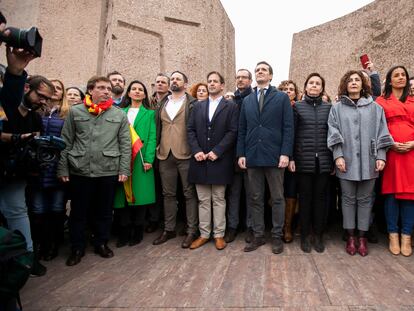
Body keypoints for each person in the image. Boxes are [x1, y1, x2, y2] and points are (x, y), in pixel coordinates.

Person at [58, 75, 131, 266]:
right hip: (80, 170)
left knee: (104, 211)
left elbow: (125, 144)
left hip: (107, 170)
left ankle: (101, 243)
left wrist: (124, 169)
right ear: (91, 90)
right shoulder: (76, 112)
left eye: (108, 88)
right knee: (78, 212)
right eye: (101, 87)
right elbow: (66, 141)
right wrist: (63, 168)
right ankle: (77, 247)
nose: (107, 91)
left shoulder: (118, 114)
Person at [328, 70, 393, 257]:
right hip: (345, 161)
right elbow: (333, 132)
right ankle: (350, 236)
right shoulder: (337, 108)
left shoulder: (375, 108)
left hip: (370, 161)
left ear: (363, 84)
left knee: (365, 200)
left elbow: (383, 133)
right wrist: (338, 155)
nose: (354, 83)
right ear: (345, 85)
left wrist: (381, 156)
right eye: (350, 80)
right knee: (347, 199)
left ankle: (362, 237)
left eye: (357, 80)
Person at [0, 45, 51, 276]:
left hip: (16, 174)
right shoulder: (6, 105)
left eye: (47, 99)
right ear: (27, 87)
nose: (43, 101)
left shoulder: (35, 120)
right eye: (40, 96)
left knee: (18, 212)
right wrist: (16, 138)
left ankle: (27, 259)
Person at [237, 61, 294, 254]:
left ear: (270, 76)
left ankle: (277, 236)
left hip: (275, 156)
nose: (260, 72)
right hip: (252, 156)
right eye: (257, 70)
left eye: (264, 70)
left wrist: (286, 153)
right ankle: (259, 235)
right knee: (255, 197)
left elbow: (288, 128)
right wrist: (241, 153)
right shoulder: (247, 100)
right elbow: (242, 129)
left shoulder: (281, 98)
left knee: (277, 198)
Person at [187, 71, 238, 250]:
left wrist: (217, 151)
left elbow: (233, 131)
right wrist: (196, 151)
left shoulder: (230, 106)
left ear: (222, 86)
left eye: (216, 81)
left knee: (218, 198)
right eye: (209, 81)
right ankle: (203, 234)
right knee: (203, 199)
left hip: (220, 160)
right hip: (199, 160)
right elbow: (190, 130)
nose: (212, 84)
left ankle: (218, 235)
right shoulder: (197, 106)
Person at [152, 71, 199, 248]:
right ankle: (169, 229)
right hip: (165, 154)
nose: (174, 81)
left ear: (185, 84)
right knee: (168, 194)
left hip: (186, 153)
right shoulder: (162, 103)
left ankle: (191, 230)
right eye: (172, 78)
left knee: (189, 194)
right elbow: (158, 127)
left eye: (178, 78)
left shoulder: (192, 103)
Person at [25, 78, 69, 263]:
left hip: (58, 165)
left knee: (57, 207)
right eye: (53, 88)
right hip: (37, 166)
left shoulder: (67, 114)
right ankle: (38, 245)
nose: (56, 91)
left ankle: (53, 244)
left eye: (59, 88)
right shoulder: (35, 111)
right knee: (37, 208)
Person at [288, 73, 332, 253]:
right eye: (311, 83)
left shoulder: (330, 108)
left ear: (322, 88)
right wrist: (290, 157)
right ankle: (305, 235)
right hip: (302, 160)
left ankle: (318, 235)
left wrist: (333, 159)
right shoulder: (296, 107)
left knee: (320, 200)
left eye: (318, 83)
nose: (314, 86)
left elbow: (333, 134)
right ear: (305, 87)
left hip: (323, 160)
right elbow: (291, 134)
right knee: (305, 199)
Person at [376, 66, 414, 256]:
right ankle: (393, 235)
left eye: (403, 75)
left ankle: (406, 236)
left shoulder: (413, 101)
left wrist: (413, 143)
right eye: (396, 75)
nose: (400, 78)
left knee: (410, 195)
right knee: (391, 194)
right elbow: (376, 127)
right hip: (390, 152)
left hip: (411, 153)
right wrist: (389, 143)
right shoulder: (381, 101)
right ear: (389, 80)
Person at [113, 80, 156, 247]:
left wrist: (149, 159)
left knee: (139, 196)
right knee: (121, 197)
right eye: (133, 89)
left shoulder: (150, 114)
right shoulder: (119, 112)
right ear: (128, 93)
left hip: (140, 159)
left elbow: (152, 137)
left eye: (140, 89)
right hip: (121, 158)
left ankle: (137, 231)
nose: (137, 92)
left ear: (144, 94)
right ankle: (123, 232)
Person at [225, 68, 253, 244]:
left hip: (251, 153)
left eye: (244, 77)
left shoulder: (254, 99)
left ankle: (250, 226)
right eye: (238, 77)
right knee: (233, 193)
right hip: (232, 154)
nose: (240, 80)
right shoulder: (230, 100)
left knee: (252, 194)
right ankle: (233, 227)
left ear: (250, 81)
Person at [277, 79, 300, 243]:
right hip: (275, 156)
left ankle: (288, 227)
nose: (288, 91)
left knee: (291, 192)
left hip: (293, 157)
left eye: (291, 89)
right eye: (284, 89)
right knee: (276, 193)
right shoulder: (274, 108)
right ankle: (275, 226)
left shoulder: (298, 109)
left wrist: (291, 156)